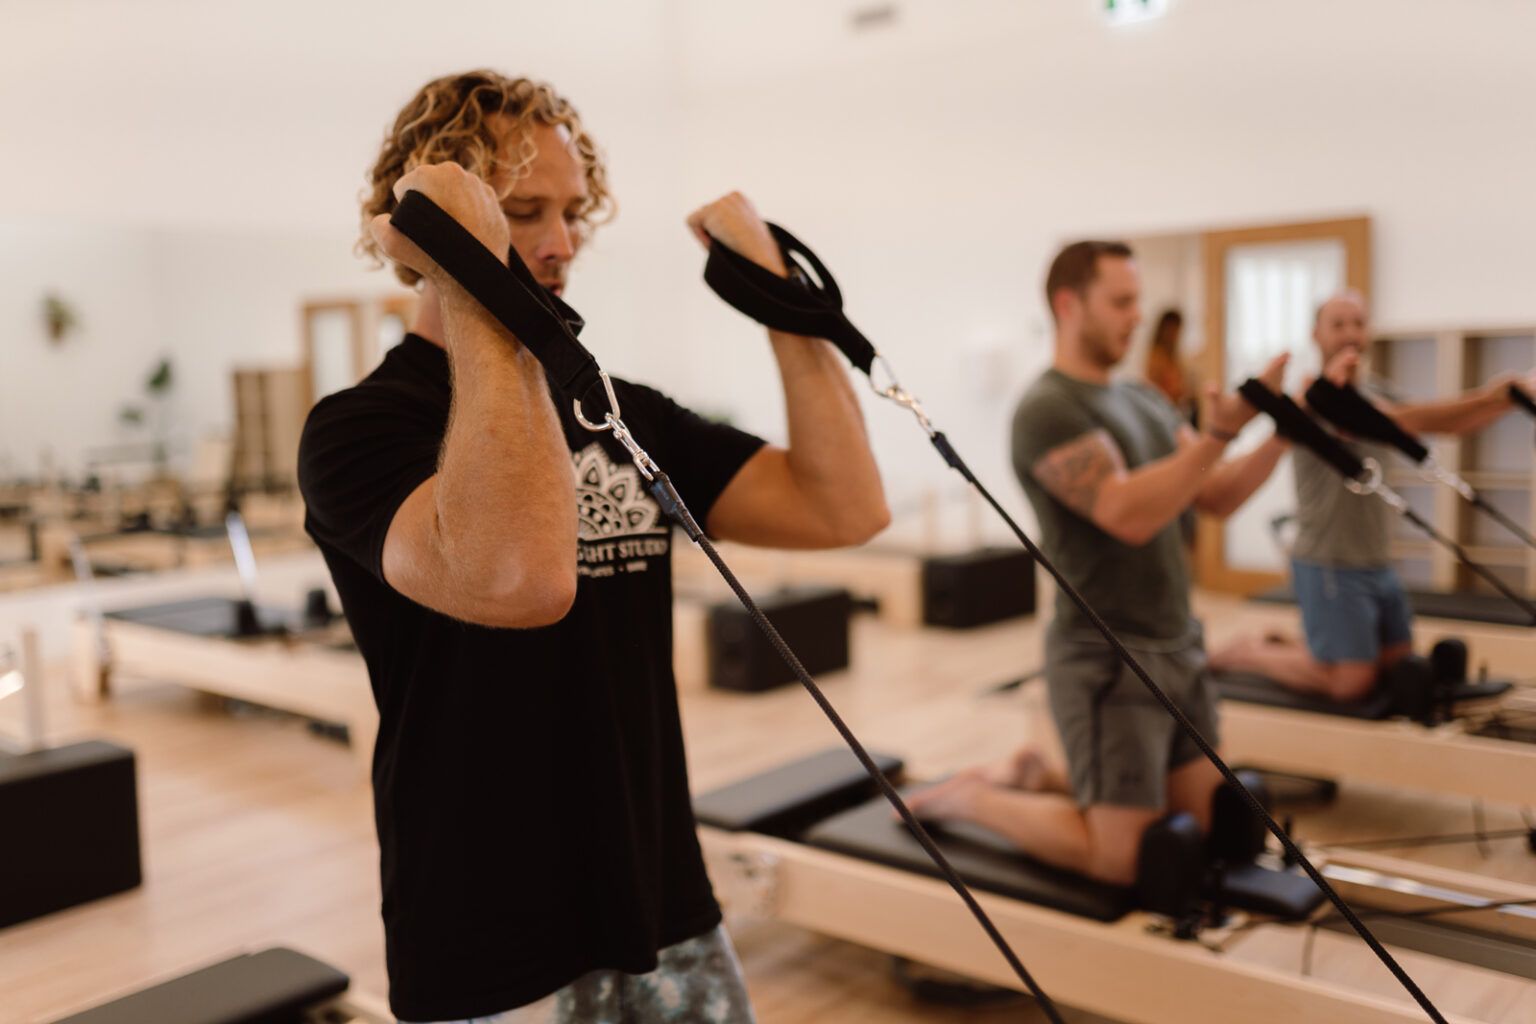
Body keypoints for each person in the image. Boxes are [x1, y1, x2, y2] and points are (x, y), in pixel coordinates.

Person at [297, 70, 889, 1024]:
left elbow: (844, 507)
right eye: (522, 212)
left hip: (662, 898)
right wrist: (474, 276)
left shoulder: (617, 411)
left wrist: (784, 305)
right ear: (425, 232)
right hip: (488, 938)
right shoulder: (360, 430)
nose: (562, 242)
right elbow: (523, 580)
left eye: (572, 211)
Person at [904, 240, 1288, 886]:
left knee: (1203, 829)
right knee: (1124, 859)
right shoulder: (1048, 408)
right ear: (1068, 305)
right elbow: (1125, 514)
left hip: (1177, 643)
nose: (1137, 316)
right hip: (1108, 657)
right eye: (1121, 301)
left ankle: (1040, 773)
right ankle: (969, 799)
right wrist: (1220, 433)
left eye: (1137, 300)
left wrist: (1286, 430)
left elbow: (1215, 494)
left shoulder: (1142, 400)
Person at [1209, 289, 1536, 701]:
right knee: (1352, 684)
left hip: (1377, 559)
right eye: (1338, 324)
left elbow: (1443, 423)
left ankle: (1294, 646)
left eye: (1358, 323)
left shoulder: (1378, 392)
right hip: (1329, 560)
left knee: (1396, 665)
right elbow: (1409, 419)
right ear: (1317, 334)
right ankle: (1247, 652)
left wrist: (1505, 401)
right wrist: (1493, 396)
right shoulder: (1312, 401)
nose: (1349, 333)